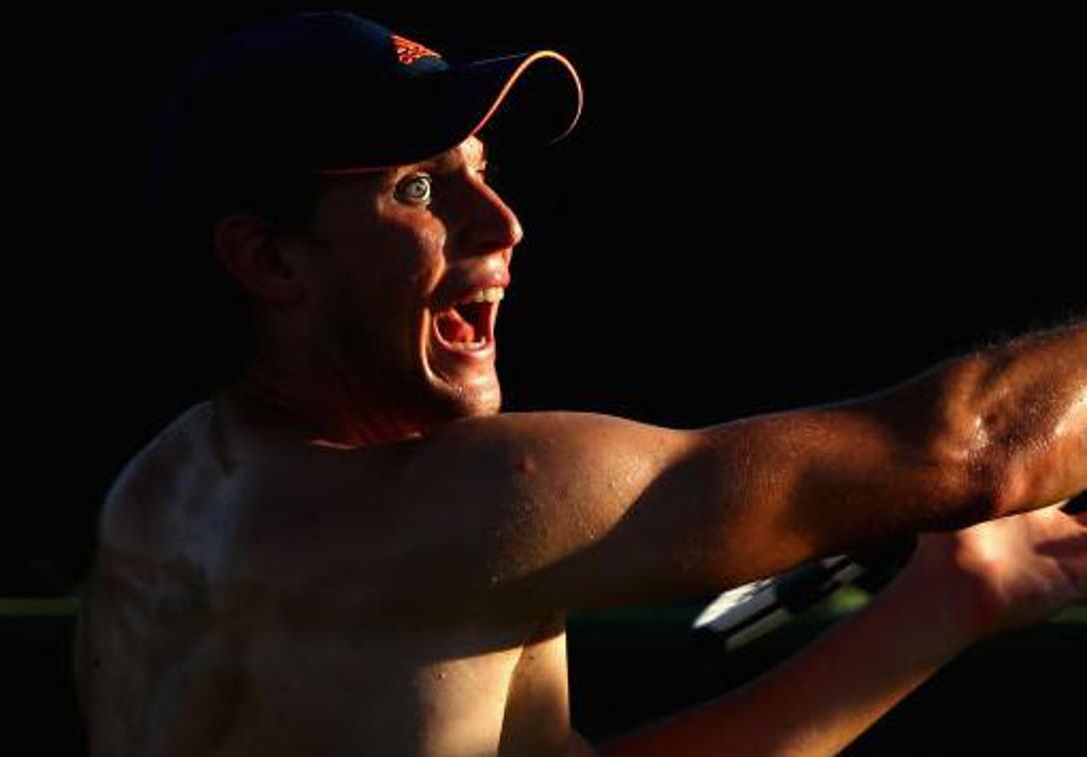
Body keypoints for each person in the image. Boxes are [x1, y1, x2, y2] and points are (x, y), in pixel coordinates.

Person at [73, 12, 1086, 756]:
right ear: (270, 262)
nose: (502, 222)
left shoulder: (157, 498)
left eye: (482, 166)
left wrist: (945, 606)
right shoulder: (478, 503)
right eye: (417, 187)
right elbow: (972, 450)